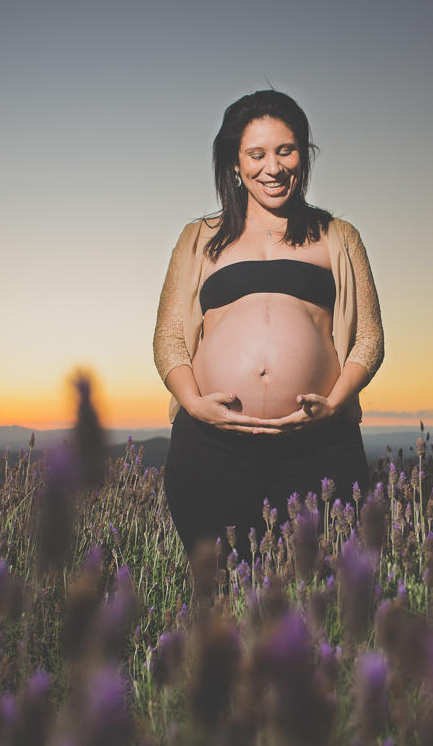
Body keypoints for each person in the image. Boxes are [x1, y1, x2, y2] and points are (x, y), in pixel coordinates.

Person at [153, 89, 384, 557]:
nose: (273, 168)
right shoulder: (198, 239)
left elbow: (369, 338)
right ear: (235, 164)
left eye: (285, 151)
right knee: (219, 587)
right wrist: (194, 404)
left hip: (320, 443)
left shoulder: (338, 237)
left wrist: (334, 405)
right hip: (212, 446)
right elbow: (169, 337)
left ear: (303, 155)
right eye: (256, 155)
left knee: (319, 589)